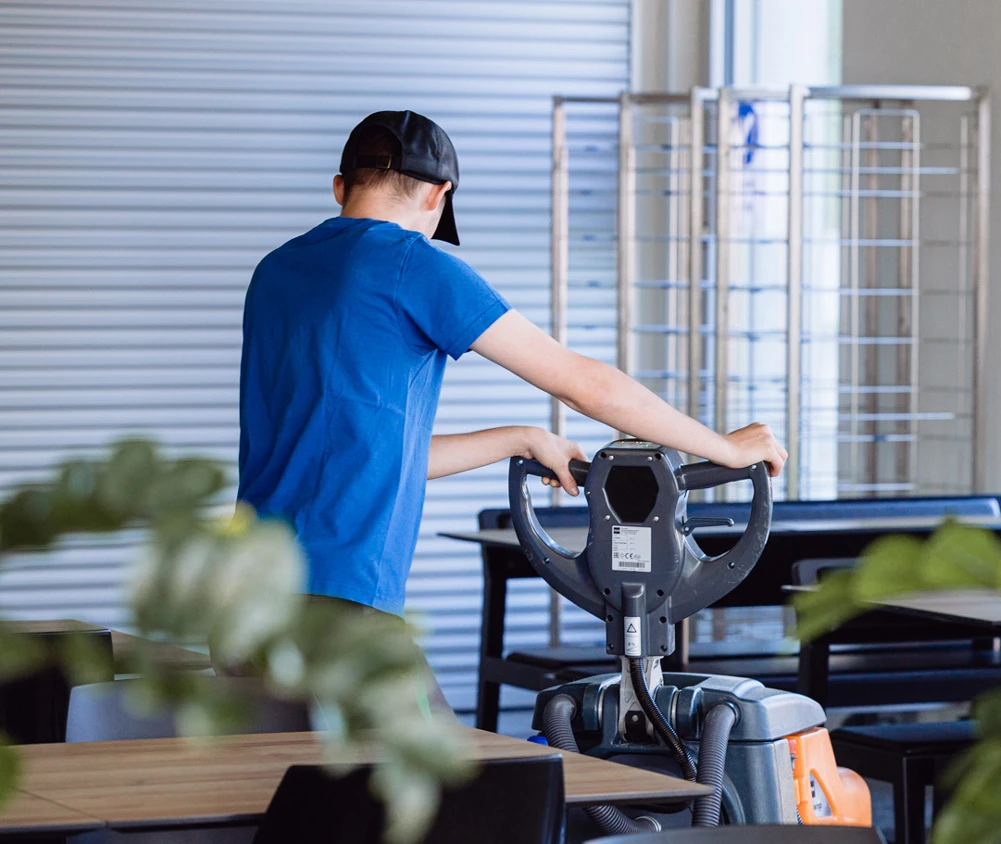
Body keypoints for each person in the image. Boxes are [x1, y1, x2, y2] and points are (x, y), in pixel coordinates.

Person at [235, 110, 787, 711]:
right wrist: (725, 449)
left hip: (244, 600)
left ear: (340, 187)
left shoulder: (276, 273)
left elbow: (356, 457)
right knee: (449, 795)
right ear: (440, 196)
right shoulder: (414, 265)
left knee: (282, 796)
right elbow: (588, 388)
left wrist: (520, 439)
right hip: (338, 607)